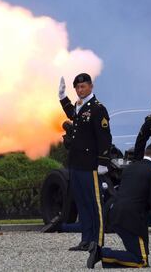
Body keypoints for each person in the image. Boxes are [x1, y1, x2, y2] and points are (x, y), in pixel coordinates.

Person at [86, 143, 151, 269]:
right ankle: (101, 253)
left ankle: (104, 256)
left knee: (140, 256)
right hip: (131, 219)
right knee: (141, 261)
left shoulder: (130, 168)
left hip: (115, 213)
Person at [57, 73, 112, 251]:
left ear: (91, 86)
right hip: (77, 163)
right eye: (77, 88)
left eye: (83, 87)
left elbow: (104, 137)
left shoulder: (98, 108)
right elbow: (73, 115)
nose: (80, 90)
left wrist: (103, 161)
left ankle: (97, 241)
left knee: (94, 204)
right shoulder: (79, 106)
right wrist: (63, 98)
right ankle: (86, 239)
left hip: (91, 164)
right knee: (81, 202)